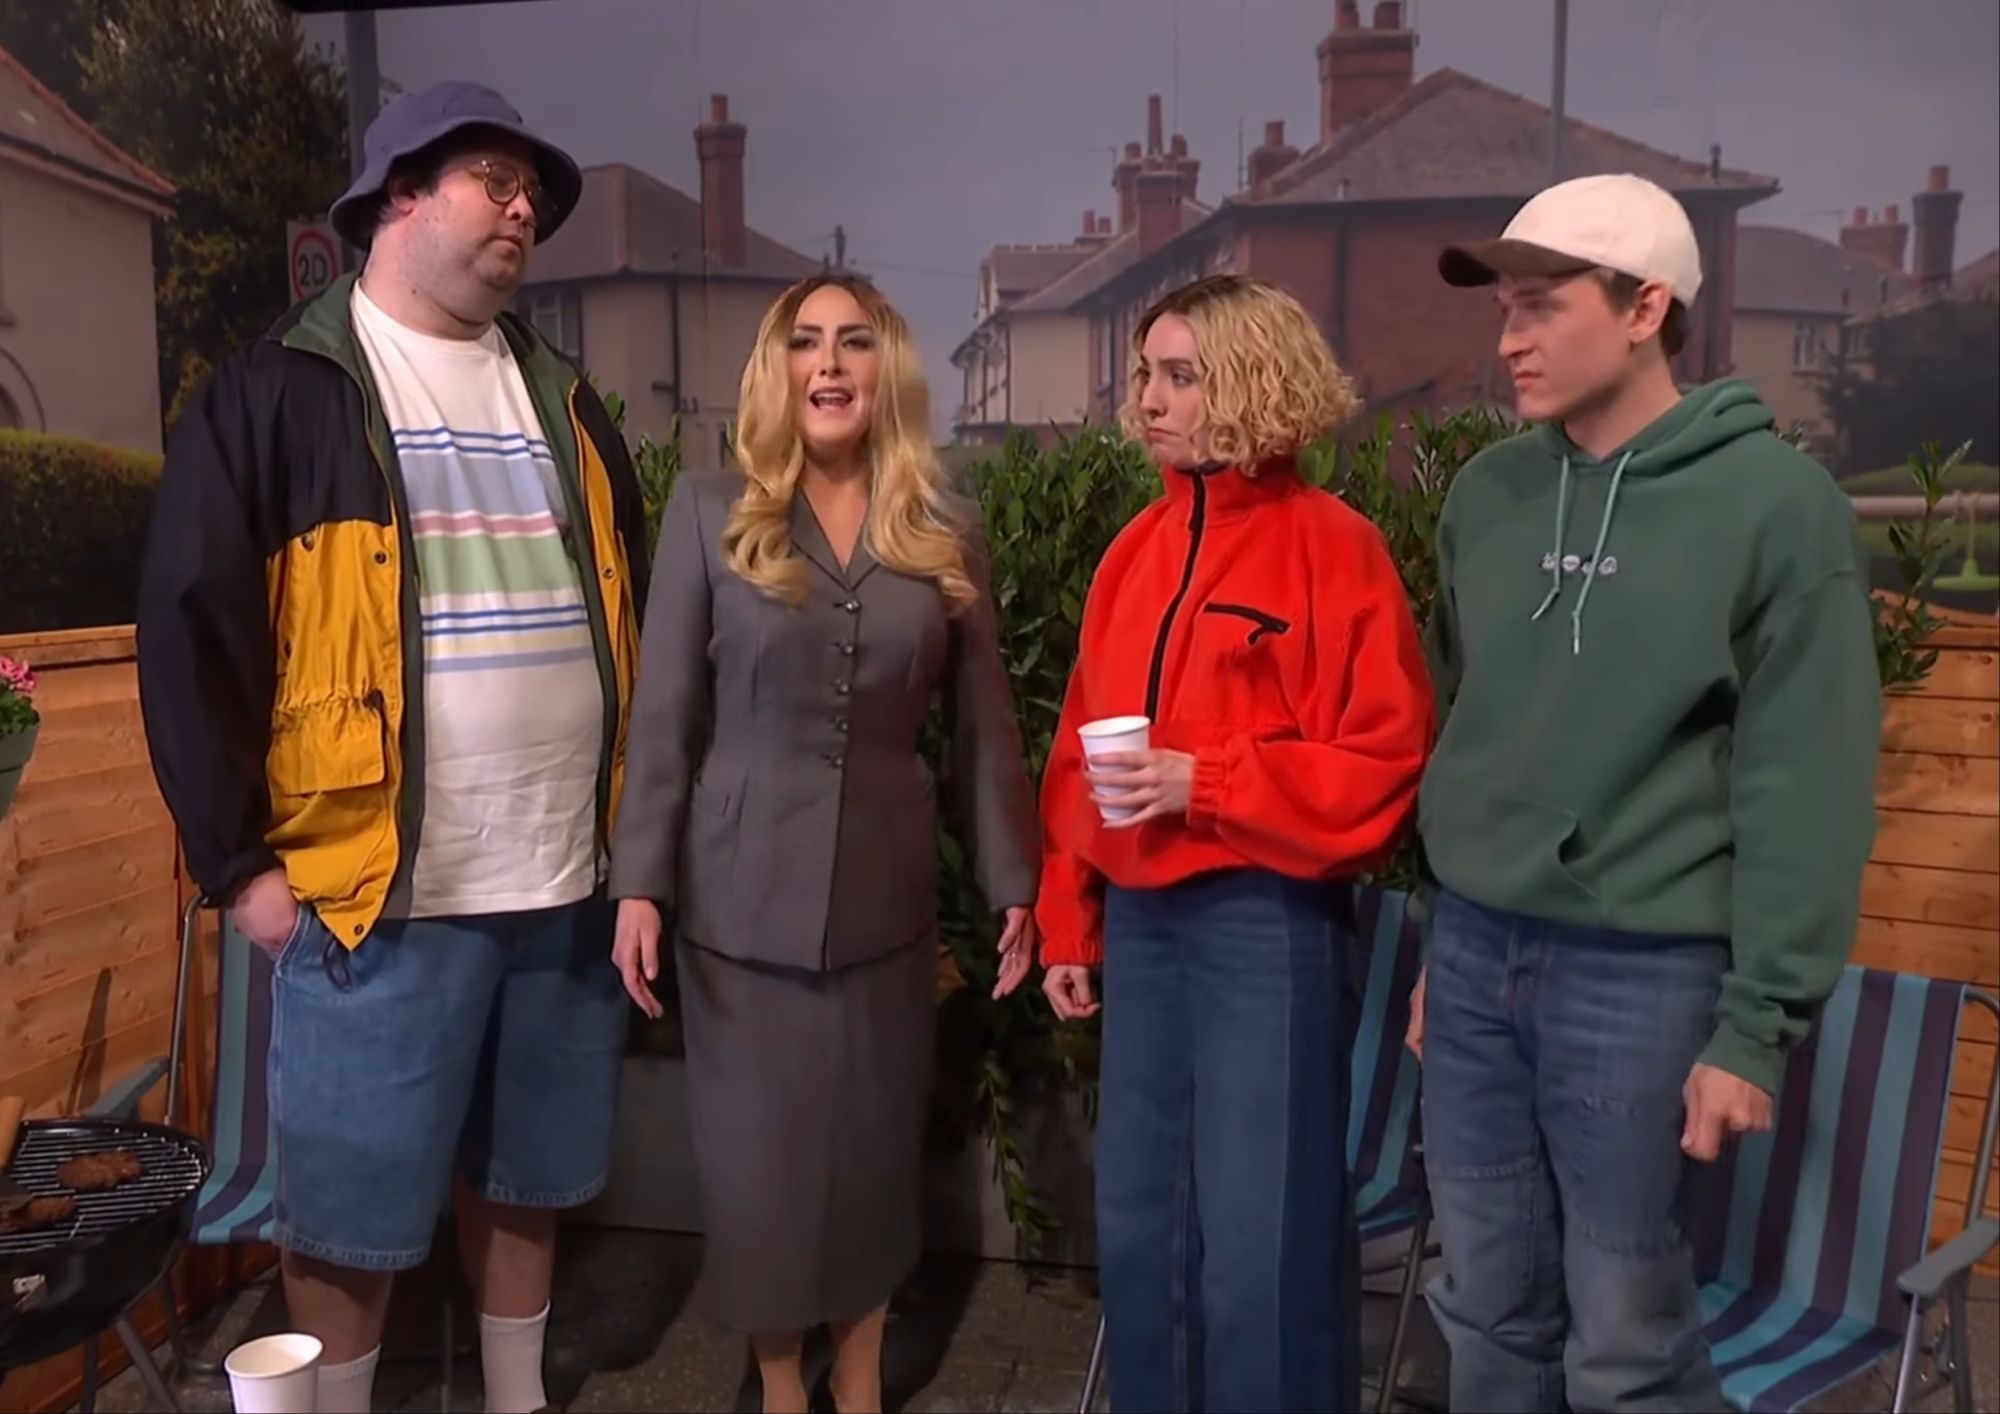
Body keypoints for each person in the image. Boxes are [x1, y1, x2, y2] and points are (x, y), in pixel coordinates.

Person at [135, 82, 648, 1414]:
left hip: (563, 880)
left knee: (528, 1175)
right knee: (348, 1213)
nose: (524, 209)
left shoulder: (566, 399)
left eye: (533, 194)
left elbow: (631, 610)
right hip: (373, 899)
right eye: (496, 181)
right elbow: (187, 638)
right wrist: (242, 871)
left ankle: (517, 1397)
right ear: (400, 193)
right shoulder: (274, 395)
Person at [1408, 172, 1882, 1412]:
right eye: (1502, 310)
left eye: (1540, 305)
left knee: (1623, 1339)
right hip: (1473, 956)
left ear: (1642, 308)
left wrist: (1753, 1027)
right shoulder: (1485, 496)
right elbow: (1467, 732)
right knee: (1482, 1305)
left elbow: (1803, 783)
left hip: (1643, 973)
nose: (1509, 340)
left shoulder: (1775, 509)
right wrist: (1440, 946)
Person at [607, 273, 1039, 1414]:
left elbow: (985, 728)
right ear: (779, 368)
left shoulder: (944, 527)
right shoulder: (709, 511)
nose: (830, 363)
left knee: (867, 1171)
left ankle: (858, 1383)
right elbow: (663, 718)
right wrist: (639, 885)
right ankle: (780, 1388)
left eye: (854, 341)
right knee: (762, 1181)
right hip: (736, 916)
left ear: (886, 370)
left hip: (886, 915)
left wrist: (1014, 882)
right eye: (806, 342)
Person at [1036, 273, 1435, 1412]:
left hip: (1268, 923)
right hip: (1144, 927)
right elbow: (1076, 754)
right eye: (1145, 374)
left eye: (1180, 376)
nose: (1148, 400)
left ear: (1253, 383)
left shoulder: (1335, 551)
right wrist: (1070, 917)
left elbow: (1382, 766)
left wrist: (1201, 781)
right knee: (1142, 1232)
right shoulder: (1132, 552)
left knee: (1265, 1243)